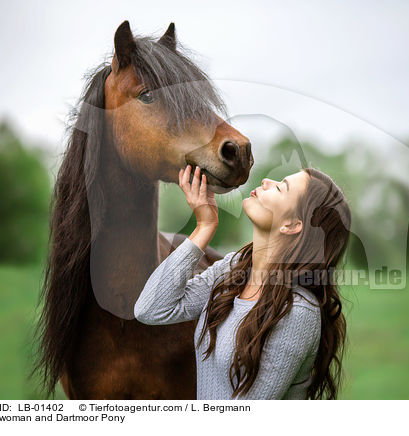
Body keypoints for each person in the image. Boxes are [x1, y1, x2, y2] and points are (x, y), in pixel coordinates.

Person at [134, 164, 352, 399]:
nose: (267, 181)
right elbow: (151, 309)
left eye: (281, 188)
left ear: (291, 225)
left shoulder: (297, 312)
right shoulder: (235, 269)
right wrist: (204, 227)